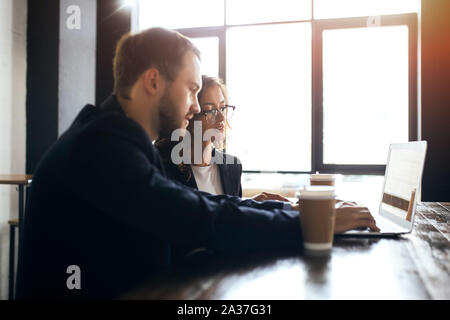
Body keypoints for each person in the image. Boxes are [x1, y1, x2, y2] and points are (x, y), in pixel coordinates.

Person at [16, 27, 379, 300]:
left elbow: (194, 209)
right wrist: (310, 222)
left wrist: (269, 210)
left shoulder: (112, 135)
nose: (195, 107)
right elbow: (196, 218)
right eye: (191, 89)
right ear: (153, 81)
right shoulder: (104, 144)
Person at [155, 75, 290, 203]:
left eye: (222, 107)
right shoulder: (163, 167)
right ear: (189, 114)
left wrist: (249, 207)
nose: (221, 118)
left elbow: (231, 222)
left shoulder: (233, 167)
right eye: (210, 110)